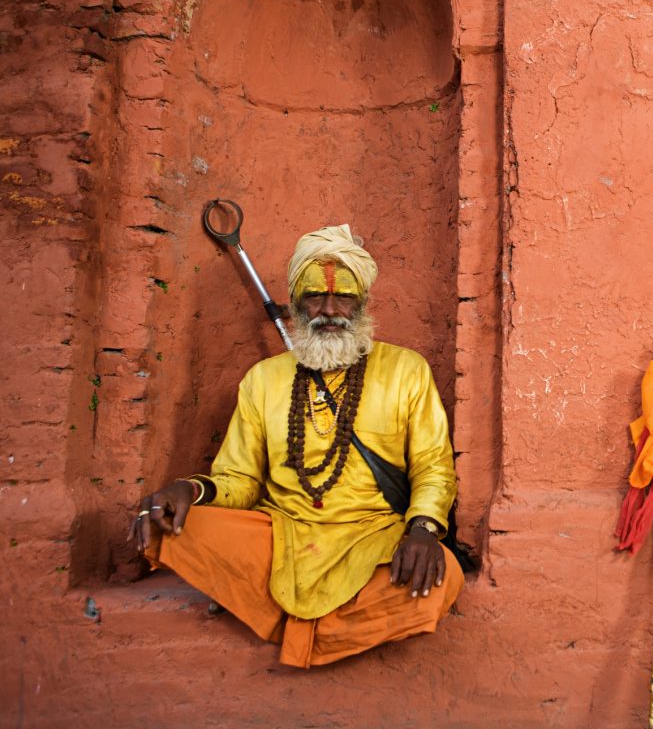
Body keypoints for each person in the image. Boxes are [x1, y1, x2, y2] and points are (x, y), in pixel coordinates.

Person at [132, 224, 463, 667]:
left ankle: (287, 624)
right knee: (168, 527)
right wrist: (188, 490)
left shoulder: (406, 370)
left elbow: (432, 468)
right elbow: (239, 480)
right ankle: (320, 628)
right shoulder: (264, 379)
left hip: (373, 536)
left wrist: (422, 531)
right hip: (282, 533)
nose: (329, 310)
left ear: (362, 302)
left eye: (343, 296)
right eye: (315, 297)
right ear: (296, 303)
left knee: (442, 579)